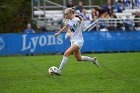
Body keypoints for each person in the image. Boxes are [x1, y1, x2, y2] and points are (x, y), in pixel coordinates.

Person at [54, 8, 99, 75]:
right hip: (73, 41)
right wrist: (58, 33)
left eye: (67, 14)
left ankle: (59, 70)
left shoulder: (77, 19)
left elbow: (81, 20)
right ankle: (93, 60)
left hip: (79, 41)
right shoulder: (68, 20)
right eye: (65, 14)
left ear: (71, 13)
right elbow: (66, 27)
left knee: (66, 53)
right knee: (79, 59)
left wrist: (79, 16)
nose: (66, 15)